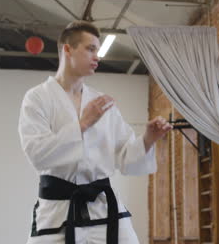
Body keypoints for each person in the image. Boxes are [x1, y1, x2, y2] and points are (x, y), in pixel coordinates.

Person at [18, 21, 172, 244]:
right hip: (57, 210)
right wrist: (82, 124)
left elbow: (125, 156)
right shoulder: (37, 98)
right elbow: (37, 154)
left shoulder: (102, 103)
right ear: (67, 49)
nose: (97, 57)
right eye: (90, 49)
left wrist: (149, 138)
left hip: (103, 207)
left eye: (97, 50)